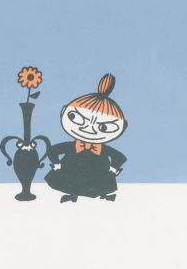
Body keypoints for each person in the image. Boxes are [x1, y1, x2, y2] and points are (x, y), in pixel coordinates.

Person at [45, 74, 128, 202]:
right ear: (63, 112)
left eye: (103, 127)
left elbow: (120, 157)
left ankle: (103, 195)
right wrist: (56, 163)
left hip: (97, 180)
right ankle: (73, 195)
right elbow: (52, 150)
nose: (88, 129)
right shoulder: (72, 146)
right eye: (77, 118)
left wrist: (113, 168)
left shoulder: (102, 149)